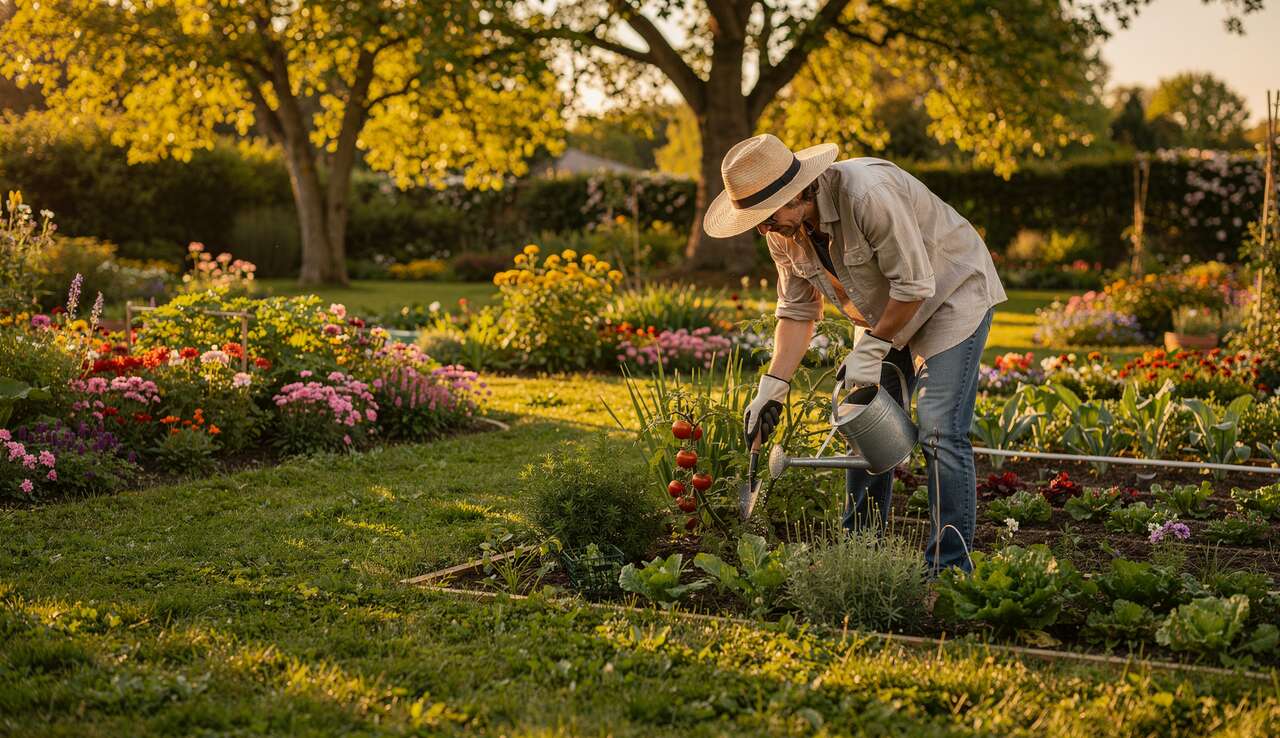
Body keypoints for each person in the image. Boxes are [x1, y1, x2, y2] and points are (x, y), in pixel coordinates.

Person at [704, 134, 1006, 573]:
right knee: (859, 419)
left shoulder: (866, 195)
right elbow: (796, 310)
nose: (764, 229)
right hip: (888, 312)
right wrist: (773, 386)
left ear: (797, 192)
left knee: (940, 427)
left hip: (949, 296)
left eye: (767, 217)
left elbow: (916, 286)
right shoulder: (782, 232)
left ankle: (949, 570)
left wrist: (876, 346)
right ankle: (861, 551)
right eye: (757, 222)